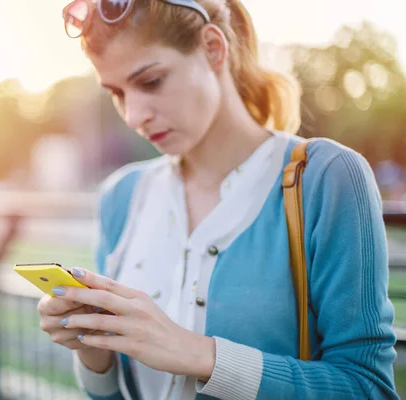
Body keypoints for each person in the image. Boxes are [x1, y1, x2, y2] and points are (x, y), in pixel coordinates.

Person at [36, 0, 399, 398]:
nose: (134, 115)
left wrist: (201, 355)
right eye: (117, 93)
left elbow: (368, 388)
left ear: (213, 48)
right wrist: (93, 350)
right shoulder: (121, 197)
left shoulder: (327, 177)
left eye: (151, 81)